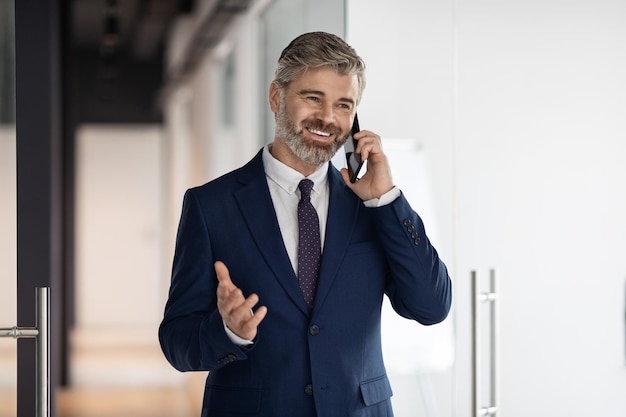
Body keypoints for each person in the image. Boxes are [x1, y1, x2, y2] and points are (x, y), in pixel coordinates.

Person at [159, 31, 452, 417]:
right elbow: (177, 341)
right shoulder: (211, 206)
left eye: (344, 105)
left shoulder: (373, 205)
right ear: (276, 98)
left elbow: (430, 306)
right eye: (313, 98)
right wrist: (228, 331)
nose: (328, 118)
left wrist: (386, 200)